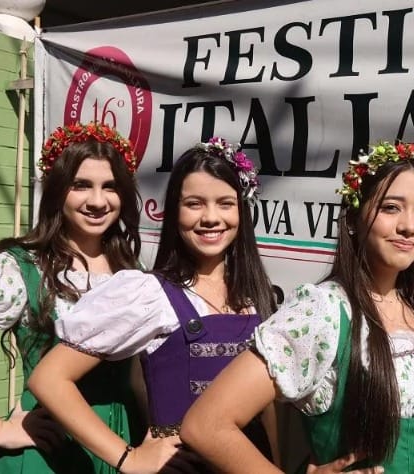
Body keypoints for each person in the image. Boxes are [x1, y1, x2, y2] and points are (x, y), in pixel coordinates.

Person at [180, 141, 414, 474]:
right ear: (354, 218)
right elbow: (206, 425)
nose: (408, 226)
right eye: (390, 208)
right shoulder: (324, 310)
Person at [29, 137, 278, 473]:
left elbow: (266, 410)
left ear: (241, 212)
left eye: (225, 203)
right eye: (194, 204)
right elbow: (49, 379)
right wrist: (128, 458)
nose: (210, 217)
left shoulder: (254, 297)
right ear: (174, 212)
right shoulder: (150, 294)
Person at [0, 122, 151, 473]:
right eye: (81, 185)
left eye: (110, 187)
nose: (97, 201)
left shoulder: (133, 270)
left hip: (121, 448)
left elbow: (137, 376)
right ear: (58, 190)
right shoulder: (18, 266)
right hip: (47, 454)